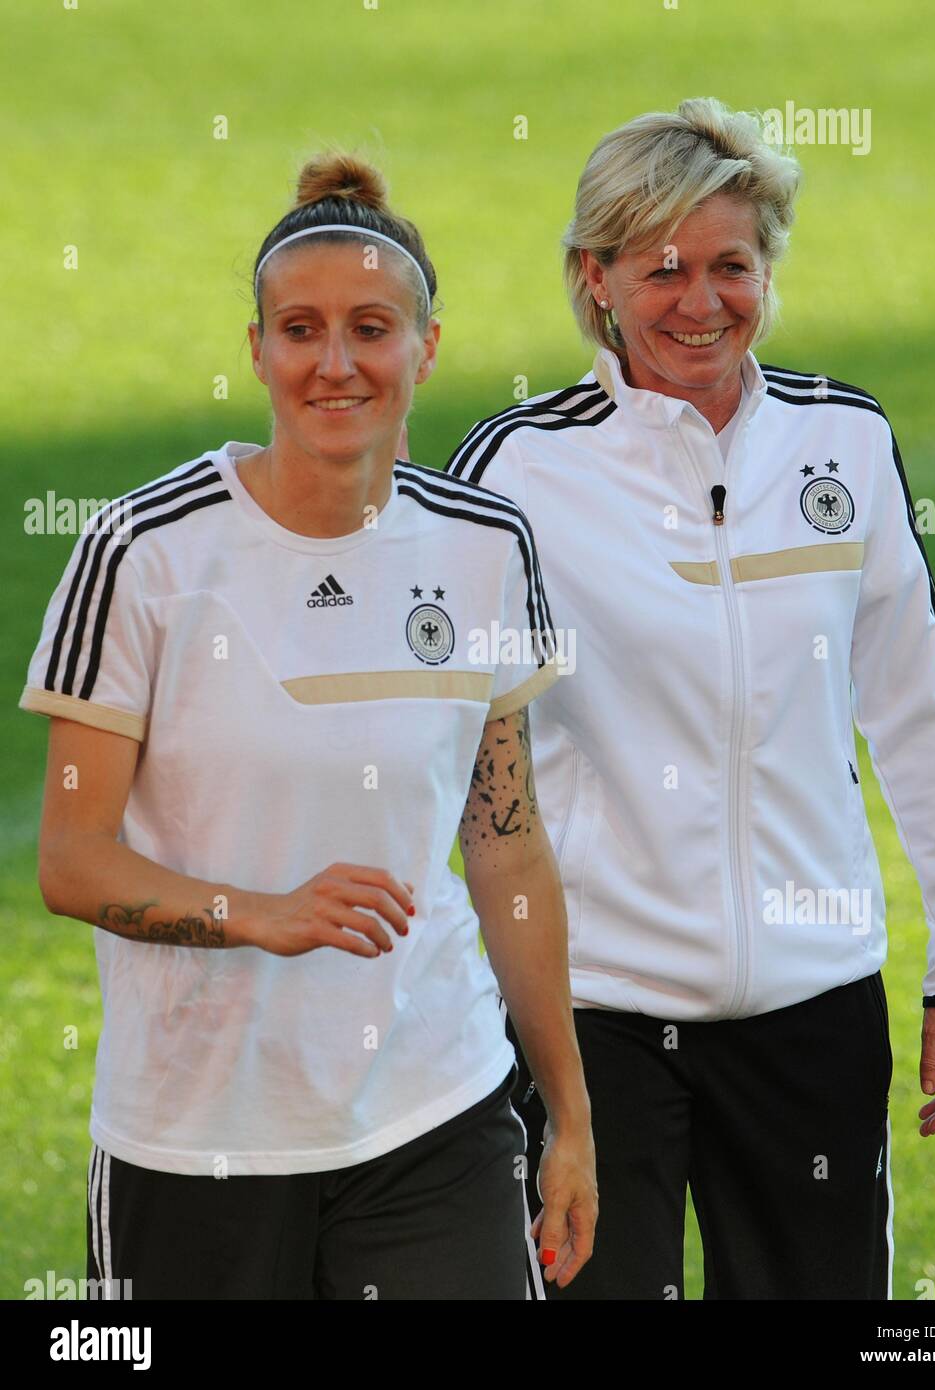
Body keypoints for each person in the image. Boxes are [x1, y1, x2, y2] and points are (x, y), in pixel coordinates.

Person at [446, 97, 935, 1300]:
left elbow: (917, 707)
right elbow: (446, 759)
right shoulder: (515, 474)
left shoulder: (844, 443)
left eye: (730, 265)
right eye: (661, 269)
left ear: (768, 268)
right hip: (591, 1019)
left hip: (813, 1009)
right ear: (593, 278)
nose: (700, 302)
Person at [20, 152, 596, 1300]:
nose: (335, 363)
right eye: (300, 329)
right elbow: (71, 861)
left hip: (437, 1104)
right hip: (197, 1134)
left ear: (426, 348)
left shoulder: (487, 546)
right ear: (258, 350)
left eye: (372, 328)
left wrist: (571, 1112)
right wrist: (255, 914)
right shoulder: (144, 552)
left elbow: (505, 839)